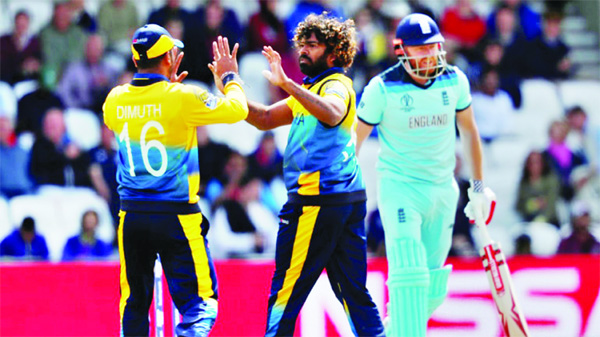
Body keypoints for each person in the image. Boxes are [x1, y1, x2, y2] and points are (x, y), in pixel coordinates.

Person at [243, 13, 385, 336]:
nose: (303, 51)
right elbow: (265, 118)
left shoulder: (336, 85)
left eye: (313, 45)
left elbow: (334, 113)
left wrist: (287, 85)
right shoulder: (312, 89)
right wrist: (231, 90)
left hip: (317, 203)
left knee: (285, 294)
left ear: (334, 53)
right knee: (354, 294)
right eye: (302, 45)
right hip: (343, 200)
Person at [102, 24, 248, 336]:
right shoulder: (184, 96)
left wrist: (164, 87)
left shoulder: (114, 100)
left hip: (132, 216)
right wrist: (229, 78)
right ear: (169, 56)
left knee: (134, 304)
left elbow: (142, 109)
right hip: (176, 215)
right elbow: (238, 109)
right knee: (201, 303)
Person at [355, 13, 496, 336]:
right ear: (401, 50)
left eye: (432, 47)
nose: (428, 54)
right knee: (410, 276)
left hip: (443, 191)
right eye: (419, 49)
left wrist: (478, 186)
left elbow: (470, 132)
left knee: (431, 290)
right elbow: (355, 140)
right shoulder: (382, 87)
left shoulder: (455, 79)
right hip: (400, 188)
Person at [29, 107, 92, 188]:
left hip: (77, 190)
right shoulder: (39, 145)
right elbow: (42, 169)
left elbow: (86, 167)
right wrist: (65, 156)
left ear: (64, 126)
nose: (52, 127)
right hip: (50, 189)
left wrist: (77, 154)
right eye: (49, 123)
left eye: (55, 123)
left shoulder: (72, 144)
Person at [516, 150, 561, 227]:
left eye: (537, 162)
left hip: (550, 222)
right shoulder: (524, 182)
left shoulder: (551, 180)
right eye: (531, 163)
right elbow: (519, 205)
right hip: (529, 222)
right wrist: (531, 205)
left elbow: (551, 203)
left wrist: (543, 218)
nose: (534, 166)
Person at [0, 10, 42, 84]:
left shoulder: (35, 43)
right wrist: (21, 67)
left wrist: (33, 65)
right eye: (18, 24)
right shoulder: (4, 41)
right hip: (6, 81)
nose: (21, 27)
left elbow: (38, 63)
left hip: (27, 82)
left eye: (23, 24)